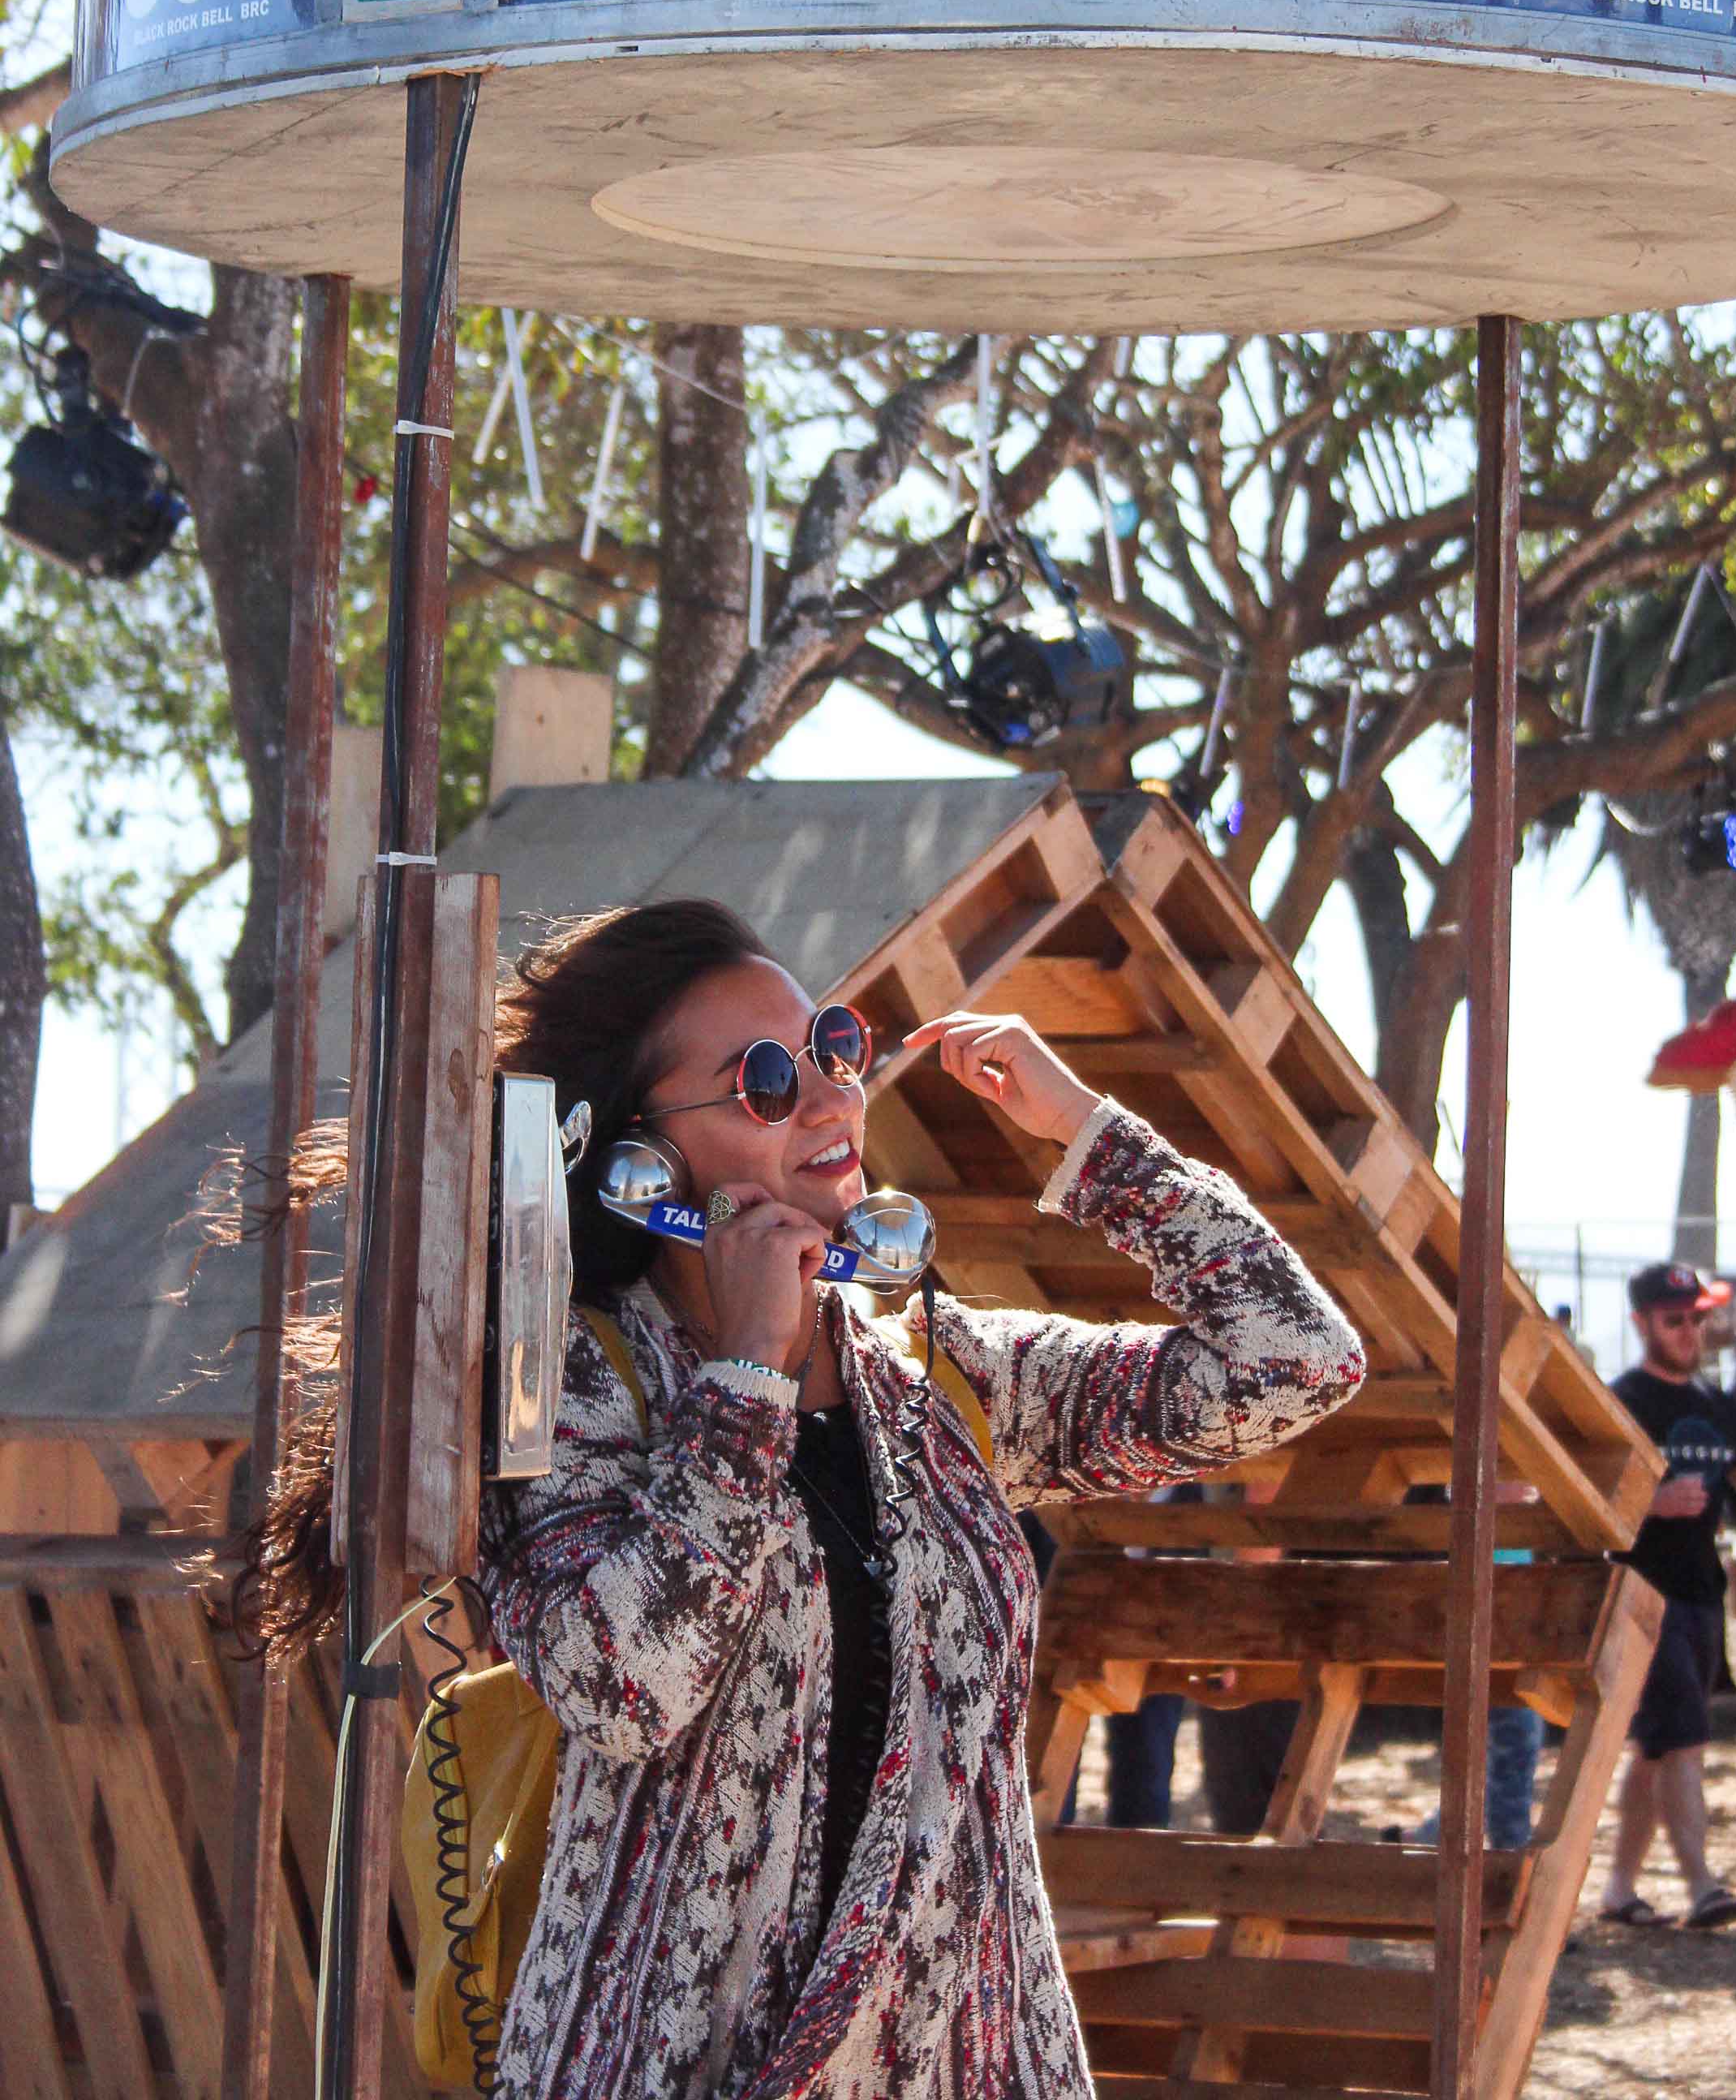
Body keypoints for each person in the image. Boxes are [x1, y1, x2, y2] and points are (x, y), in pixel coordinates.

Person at [239, 898, 1367, 2098]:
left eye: (834, 1047)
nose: (832, 1098)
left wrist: (1088, 1136)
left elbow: (1296, 1362)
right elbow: (626, 1686)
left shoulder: (942, 1375)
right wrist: (744, 1381)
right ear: (641, 1160)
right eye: (765, 1080)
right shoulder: (561, 1383)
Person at [1599, 1261, 1736, 1930]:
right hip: (1639, 1597)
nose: (1690, 1332)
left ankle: (1620, 1889)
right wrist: (1650, 1502)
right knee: (1683, 1742)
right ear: (1642, 1324)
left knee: (1657, 1749)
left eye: (1697, 1318)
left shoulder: (1716, 1406)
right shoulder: (1620, 1403)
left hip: (1701, 1596)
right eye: (1674, 1319)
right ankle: (1703, 1885)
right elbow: (1585, 1502)